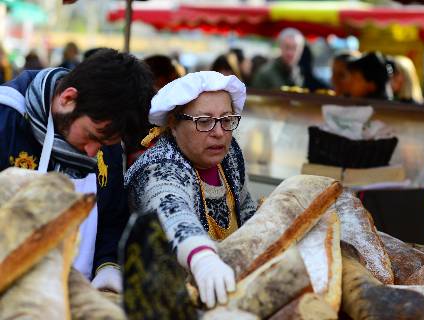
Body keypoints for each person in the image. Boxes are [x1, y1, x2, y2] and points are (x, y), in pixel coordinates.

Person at [0, 48, 155, 292]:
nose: (93, 153)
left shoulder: (107, 136)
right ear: (67, 99)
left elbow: (112, 216)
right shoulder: (6, 118)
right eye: (91, 137)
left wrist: (108, 266)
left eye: (104, 144)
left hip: (78, 289)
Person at [125, 71, 257, 309]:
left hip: (225, 288)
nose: (219, 132)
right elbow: (170, 209)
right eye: (204, 121)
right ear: (173, 124)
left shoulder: (230, 154)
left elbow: (246, 207)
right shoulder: (159, 166)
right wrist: (203, 258)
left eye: (226, 120)